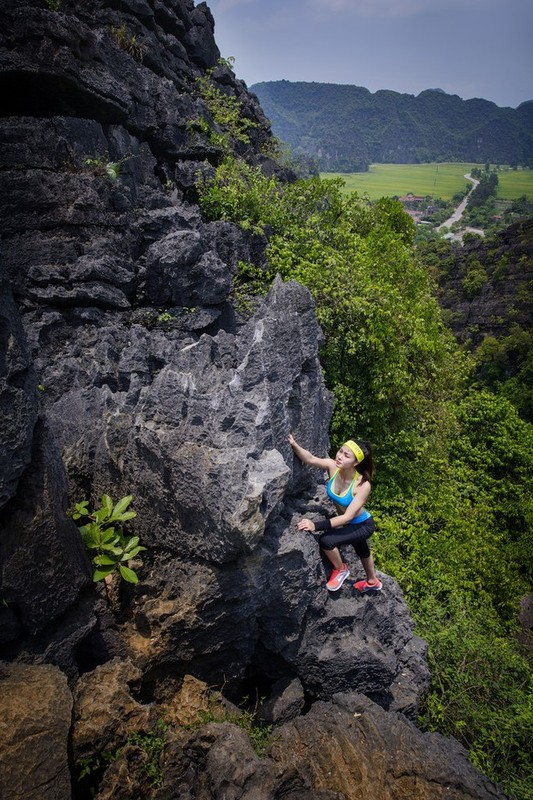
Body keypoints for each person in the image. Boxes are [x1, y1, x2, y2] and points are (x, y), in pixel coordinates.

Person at [288, 433, 381, 593]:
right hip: (351, 524)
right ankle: (373, 582)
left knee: (327, 540)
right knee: (362, 549)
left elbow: (347, 517)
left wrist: (314, 525)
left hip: (362, 524)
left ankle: (341, 569)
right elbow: (310, 458)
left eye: (346, 455)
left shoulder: (362, 485)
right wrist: (293, 444)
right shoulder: (333, 467)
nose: (340, 457)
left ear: (356, 462)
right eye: (340, 451)